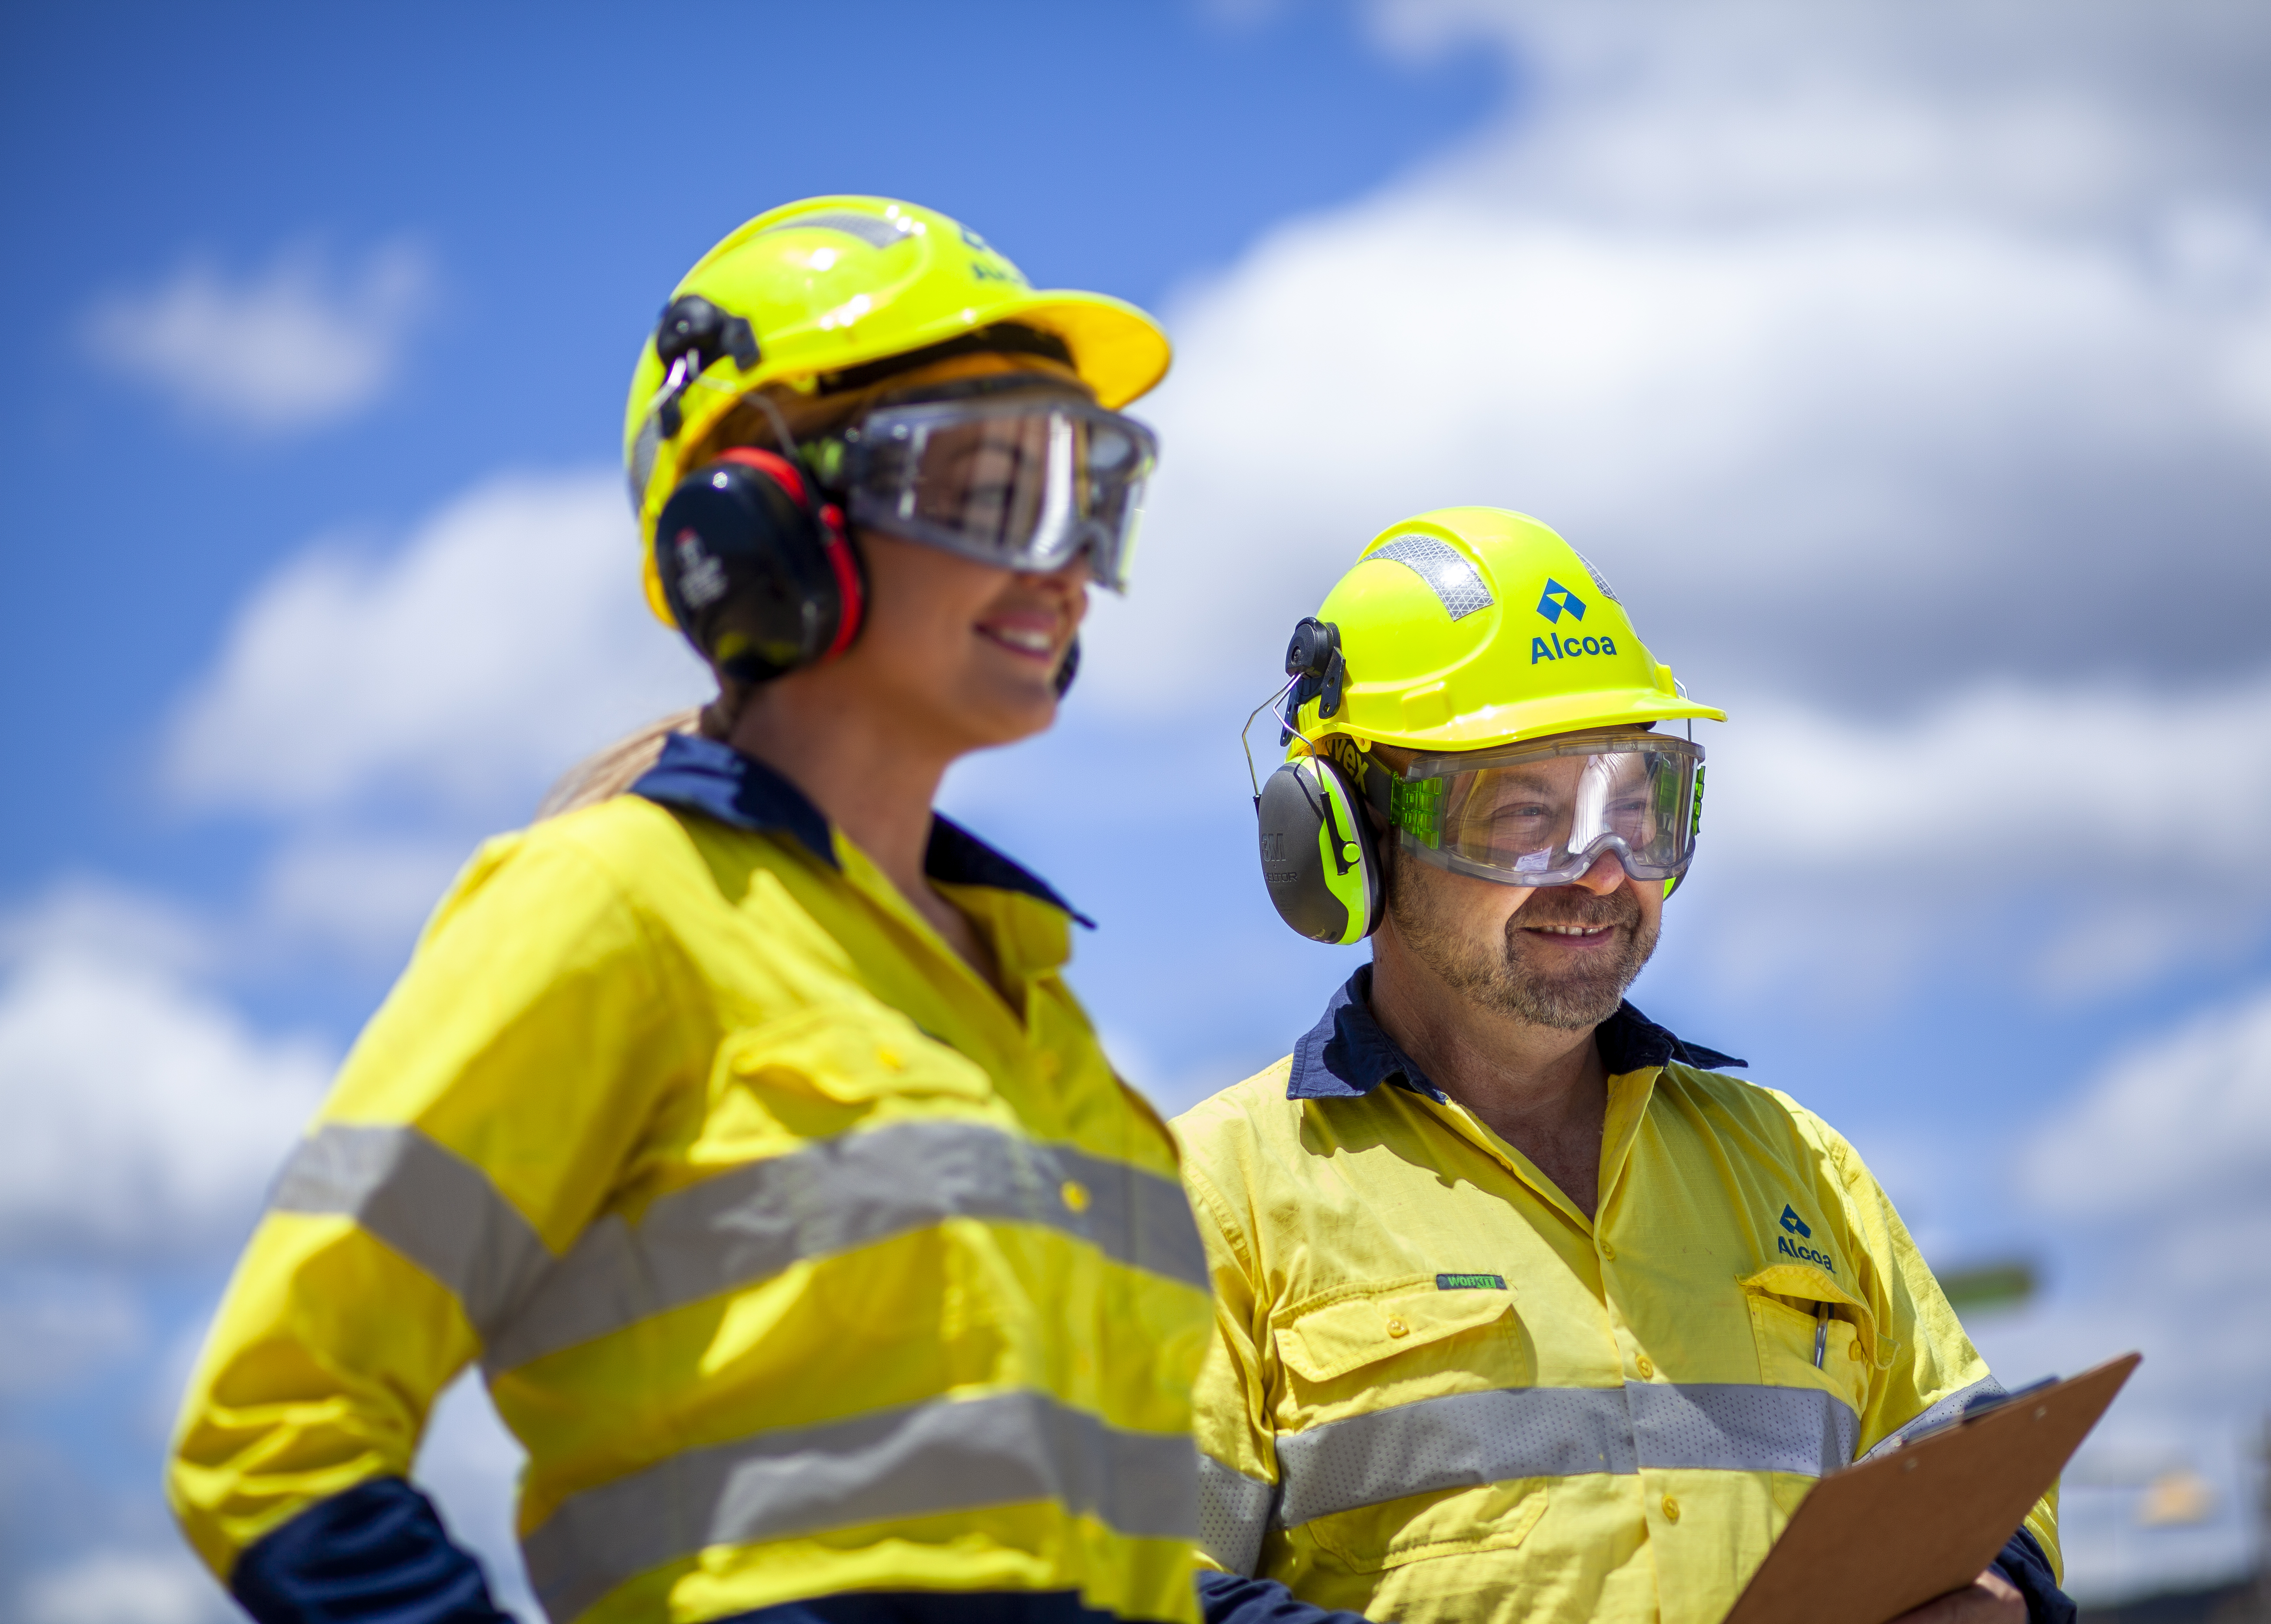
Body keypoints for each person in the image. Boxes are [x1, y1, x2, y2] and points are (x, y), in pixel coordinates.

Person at [166, 196, 1213, 1624]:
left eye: (1087, 491)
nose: (1063, 560)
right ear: (759, 517)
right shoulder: (609, 908)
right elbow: (273, 1435)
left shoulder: (1044, 1020)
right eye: (987, 488)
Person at [1178, 508, 2070, 1624]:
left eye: (1634, 813)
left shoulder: (1798, 1166)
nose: (1601, 876)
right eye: (1522, 819)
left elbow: (1987, 1481)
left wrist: (1996, 1595)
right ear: (1350, 835)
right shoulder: (1215, 1198)